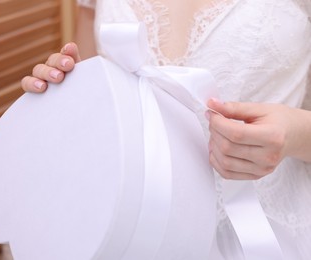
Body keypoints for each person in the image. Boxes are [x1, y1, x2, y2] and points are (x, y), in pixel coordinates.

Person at [21, 0, 311, 258]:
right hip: (129, 224)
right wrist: (59, 88)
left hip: (264, 227)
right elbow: (88, 93)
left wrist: (296, 133)